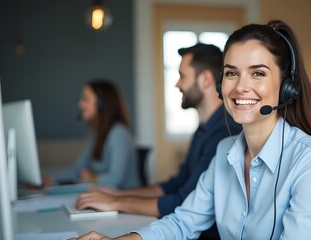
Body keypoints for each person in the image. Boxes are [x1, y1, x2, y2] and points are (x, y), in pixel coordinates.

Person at [73, 20, 311, 240]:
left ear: (286, 86)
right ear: (219, 85)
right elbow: (182, 222)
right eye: (231, 73)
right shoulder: (225, 152)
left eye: (258, 73)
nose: (240, 87)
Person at [74, 43, 242, 239]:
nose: (177, 84)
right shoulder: (204, 129)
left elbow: (183, 202)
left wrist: (116, 202)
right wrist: (116, 196)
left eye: (182, 76)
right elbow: (175, 185)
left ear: (205, 79)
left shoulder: (224, 133)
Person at [43, 80, 142, 189]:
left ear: (101, 103)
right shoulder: (94, 133)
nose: (80, 104)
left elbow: (116, 179)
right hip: (106, 195)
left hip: (125, 198)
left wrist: (93, 178)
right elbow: (78, 169)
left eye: (85, 98)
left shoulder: (119, 133)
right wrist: (49, 178)